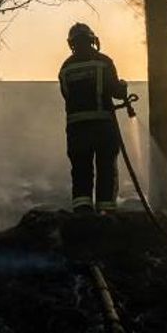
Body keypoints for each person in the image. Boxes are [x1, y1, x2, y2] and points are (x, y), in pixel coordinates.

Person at [59, 23, 128, 214]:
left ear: (71, 43)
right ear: (92, 40)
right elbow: (115, 92)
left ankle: (82, 212)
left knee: (81, 170)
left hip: (76, 130)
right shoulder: (103, 62)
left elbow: (66, 94)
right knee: (106, 168)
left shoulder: (66, 67)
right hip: (103, 126)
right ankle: (106, 212)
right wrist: (123, 87)